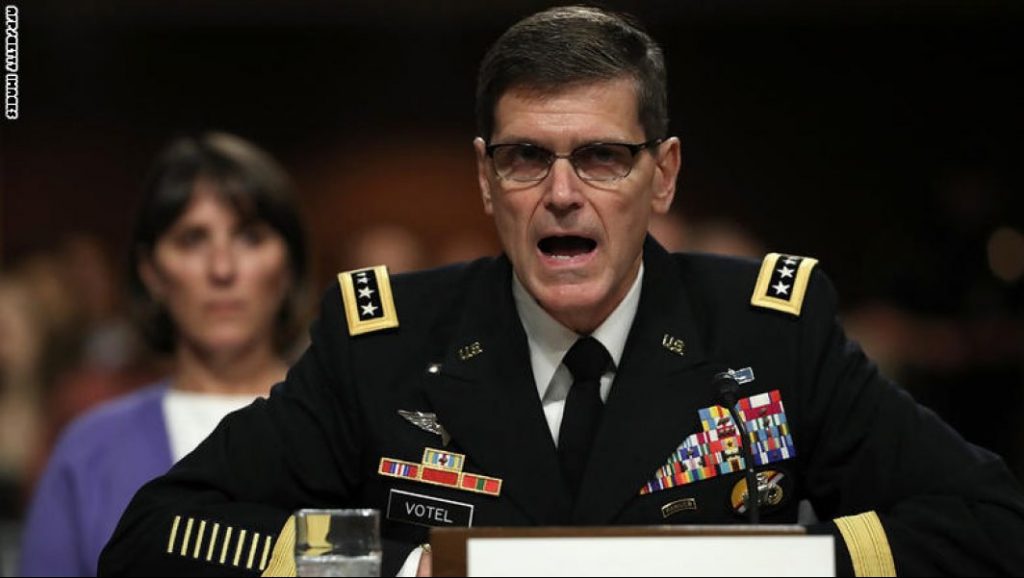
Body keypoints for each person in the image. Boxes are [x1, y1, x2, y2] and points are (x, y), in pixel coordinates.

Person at [100, 7, 1024, 577]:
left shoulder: (767, 333)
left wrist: (767, 566)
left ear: (663, 176)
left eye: (603, 157)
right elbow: (158, 535)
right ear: (485, 179)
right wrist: (405, 569)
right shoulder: (385, 347)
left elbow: (989, 524)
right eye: (526, 158)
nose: (562, 193)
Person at [20, 132, 310, 577]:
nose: (222, 269)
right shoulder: (90, 451)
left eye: (250, 238)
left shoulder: (348, 432)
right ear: (151, 272)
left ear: (288, 265)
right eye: (192, 239)